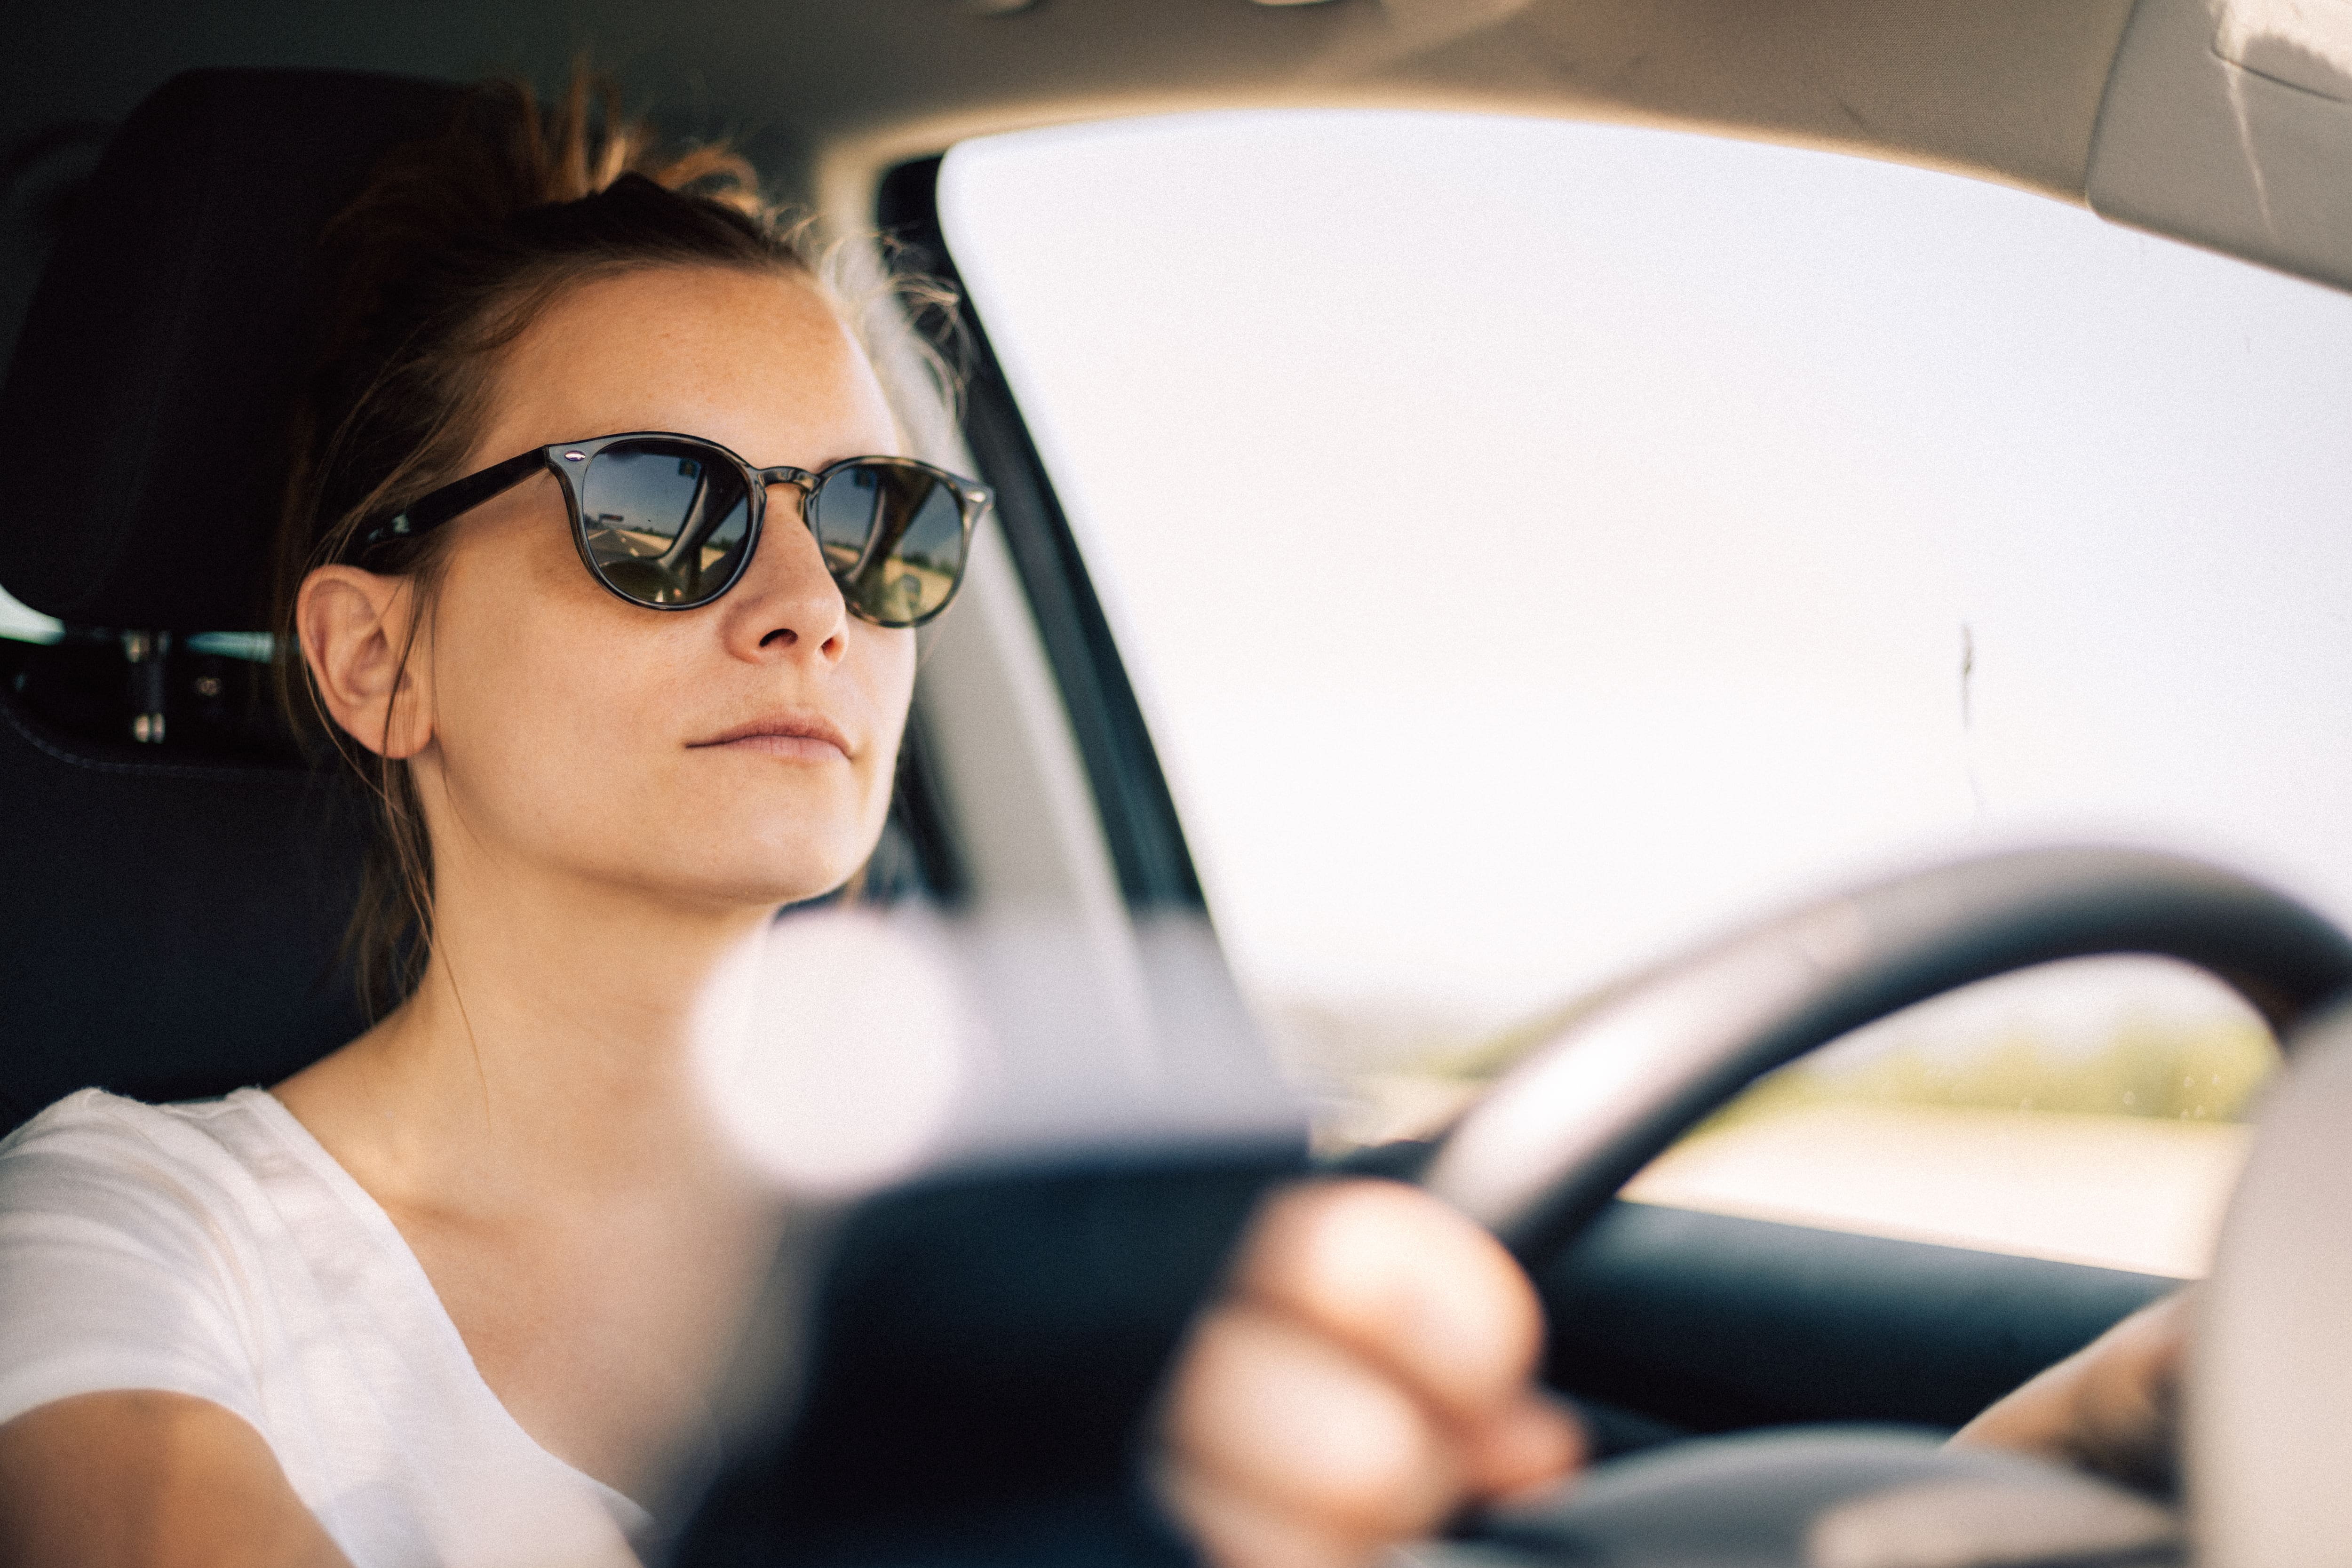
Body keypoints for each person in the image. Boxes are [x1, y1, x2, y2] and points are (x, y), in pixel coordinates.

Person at [0, 75, 2182, 1568]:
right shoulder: (132, 1236)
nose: (801, 606)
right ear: (374, 659)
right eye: (656, 511)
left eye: (873, 521)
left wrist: (2017, 1473)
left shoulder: (1055, 1233)